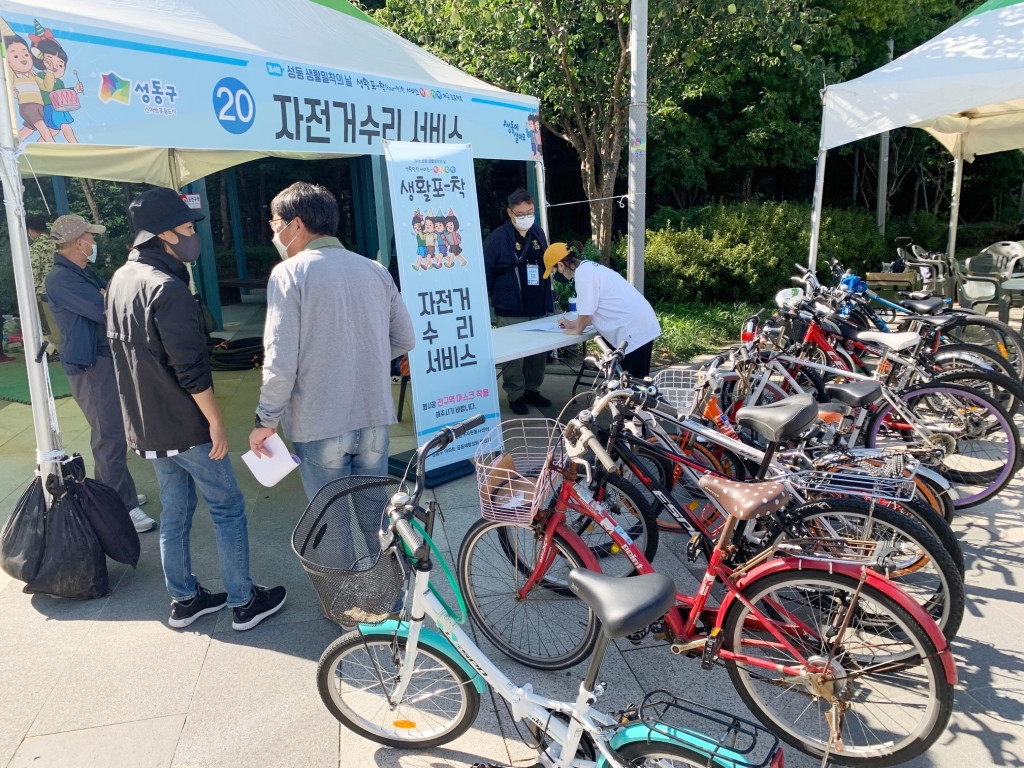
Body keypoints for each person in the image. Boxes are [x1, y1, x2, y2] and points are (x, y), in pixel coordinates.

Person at [106, 187, 286, 631]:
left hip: (147, 428)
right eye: (186, 228)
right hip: (185, 425)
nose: (192, 237)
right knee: (226, 508)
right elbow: (190, 369)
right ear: (162, 234)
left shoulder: (120, 279)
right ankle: (244, 602)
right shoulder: (166, 287)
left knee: (176, 511)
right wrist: (216, 421)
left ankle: (184, 599)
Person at [248, 182, 415, 503]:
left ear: (295, 224)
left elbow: (280, 364)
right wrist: (364, 356)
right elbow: (405, 338)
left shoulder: (289, 274)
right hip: (373, 417)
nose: (275, 234)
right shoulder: (376, 270)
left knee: (330, 524)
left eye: (275, 224)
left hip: (318, 421)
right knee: (376, 515)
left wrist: (265, 421)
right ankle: (386, 557)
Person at [43, 214, 155, 533]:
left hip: (100, 361)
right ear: (79, 242)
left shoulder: (80, 272)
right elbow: (106, 309)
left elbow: (109, 299)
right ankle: (119, 507)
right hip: (91, 365)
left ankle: (120, 492)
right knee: (109, 435)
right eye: (91, 238)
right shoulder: (62, 279)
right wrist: (108, 299)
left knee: (114, 431)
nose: (94, 243)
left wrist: (108, 298)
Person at [544, 241, 661, 378]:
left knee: (633, 384)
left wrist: (575, 330)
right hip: (641, 323)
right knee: (639, 382)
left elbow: (586, 316)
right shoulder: (589, 268)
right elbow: (589, 313)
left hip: (632, 330)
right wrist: (573, 323)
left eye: (554, 272)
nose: (555, 276)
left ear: (561, 265)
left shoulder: (583, 274)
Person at [483, 188, 553, 415]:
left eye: (530, 212)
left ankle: (533, 390)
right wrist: (491, 301)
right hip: (510, 308)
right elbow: (485, 273)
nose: (526, 217)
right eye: (520, 213)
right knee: (514, 356)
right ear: (510, 213)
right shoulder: (497, 238)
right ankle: (515, 395)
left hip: (537, 305)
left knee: (537, 354)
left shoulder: (538, 233)